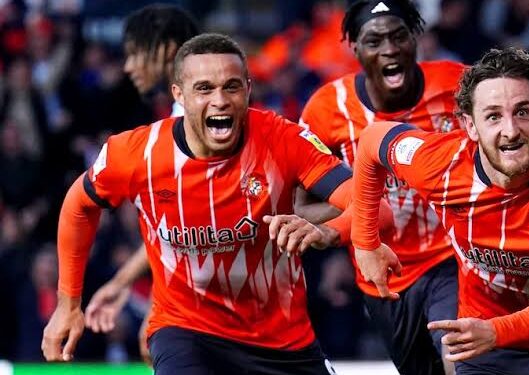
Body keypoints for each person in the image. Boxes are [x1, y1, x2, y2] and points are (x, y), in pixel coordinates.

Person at [41, 33, 395, 374]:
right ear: (179, 95)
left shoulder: (284, 139)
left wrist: (324, 232)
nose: (220, 100)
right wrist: (68, 304)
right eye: (204, 89)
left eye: (232, 86)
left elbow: (375, 207)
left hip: (282, 340)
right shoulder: (136, 154)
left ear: (248, 90)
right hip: (186, 331)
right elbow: (78, 205)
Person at [350, 48, 529, 374]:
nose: (510, 130)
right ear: (470, 125)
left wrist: (496, 331)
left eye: (522, 112)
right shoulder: (438, 164)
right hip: (490, 349)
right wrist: (365, 241)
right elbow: (371, 141)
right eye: (493, 116)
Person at [296, 1, 465, 374]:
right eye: (374, 41)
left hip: (453, 259)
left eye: (398, 36)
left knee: (459, 356)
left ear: (415, 38)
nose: (389, 49)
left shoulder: (461, 85)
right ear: (354, 48)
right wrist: (360, 211)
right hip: (382, 275)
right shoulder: (328, 109)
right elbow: (302, 204)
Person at [82, 4, 200, 363]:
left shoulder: (199, 115)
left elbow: (194, 221)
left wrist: (158, 304)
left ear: (166, 48)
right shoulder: (180, 113)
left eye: (135, 53)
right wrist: (121, 283)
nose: (129, 66)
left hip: (221, 299)